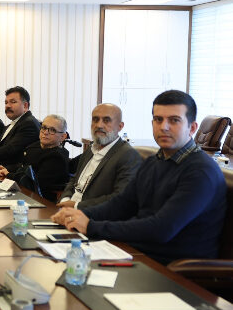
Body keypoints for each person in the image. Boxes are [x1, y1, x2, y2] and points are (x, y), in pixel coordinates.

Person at [52, 90, 226, 265]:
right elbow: (121, 205)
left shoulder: (201, 172)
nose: (164, 127)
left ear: (192, 128)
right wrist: (77, 215)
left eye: (174, 120)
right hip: (135, 252)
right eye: (158, 120)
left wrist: (90, 226)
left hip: (173, 270)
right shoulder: (154, 161)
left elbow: (161, 229)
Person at [57, 103, 142, 209]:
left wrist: (76, 206)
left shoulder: (128, 155)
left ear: (120, 126)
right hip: (67, 213)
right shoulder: (91, 149)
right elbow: (74, 181)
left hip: (92, 218)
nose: (99, 125)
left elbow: (120, 198)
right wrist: (65, 200)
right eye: (95, 119)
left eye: (106, 120)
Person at [0, 114, 70, 201]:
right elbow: (24, 166)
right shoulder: (35, 146)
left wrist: (8, 174)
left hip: (41, 201)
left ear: (63, 137)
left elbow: (33, 182)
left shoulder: (57, 157)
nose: (45, 132)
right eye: (43, 127)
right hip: (23, 193)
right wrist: (6, 168)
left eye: (52, 130)